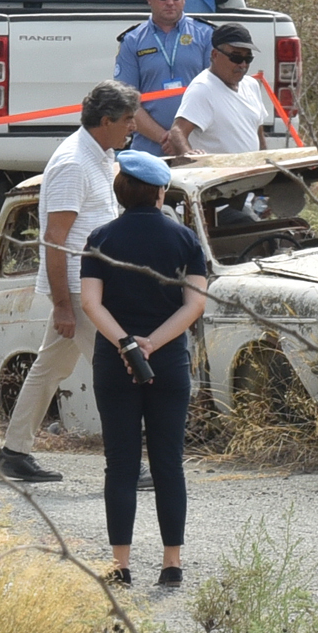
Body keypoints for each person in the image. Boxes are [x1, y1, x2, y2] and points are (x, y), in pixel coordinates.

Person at [0, 80, 138, 483]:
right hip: (79, 289)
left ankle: (13, 451)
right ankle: (125, 461)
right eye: (127, 120)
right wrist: (62, 304)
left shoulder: (100, 155)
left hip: (90, 286)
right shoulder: (73, 163)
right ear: (106, 120)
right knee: (117, 372)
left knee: (50, 368)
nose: (132, 127)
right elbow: (54, 238)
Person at [81, 150, 208, 588]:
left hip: (116, 362)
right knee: (168, 461)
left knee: (120, 463)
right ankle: (171, 562)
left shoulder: (100, 238)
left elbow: (90, 303)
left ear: (121, 190)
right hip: (169, 360)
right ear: (159, 192)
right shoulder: (185, 240)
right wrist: (155, 341)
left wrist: (126, 342)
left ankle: (121, 564)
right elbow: (195, 304)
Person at [113, 0, 215, 155]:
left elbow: (214, 93)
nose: (170, 2)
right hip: (148, 149)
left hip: (197, 147)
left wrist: (181, 139)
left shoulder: (206, 35)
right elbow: (127, 101)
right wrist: (167, 138)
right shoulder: (133, 41)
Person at [163, 24, 265, 156]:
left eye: (248, 58)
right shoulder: (203, 88)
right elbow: (177, 132)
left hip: (250, 172)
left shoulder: (251, 85)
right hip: (219, 174)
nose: (243, 64)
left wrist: (267, 164)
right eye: (236, 57)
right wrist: (189, 156)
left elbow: (258, 131)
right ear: (215, 55)